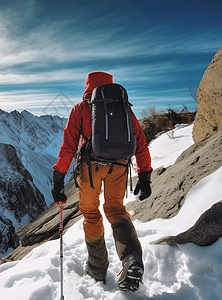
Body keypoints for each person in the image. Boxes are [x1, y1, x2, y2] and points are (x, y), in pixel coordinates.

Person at [51, 71, 152, 292]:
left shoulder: (80, 108)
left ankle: (97, 269)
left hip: (91, 168)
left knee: (91, 214)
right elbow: (140, 143)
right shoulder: (125, 107)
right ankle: (131, 259)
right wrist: (145, 175)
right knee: (116, 211)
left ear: (88, 86)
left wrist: (58, 178)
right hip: (120, 166)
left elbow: (68, 146)